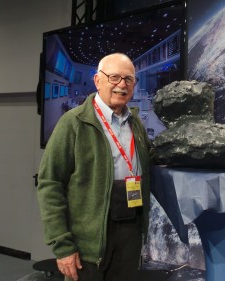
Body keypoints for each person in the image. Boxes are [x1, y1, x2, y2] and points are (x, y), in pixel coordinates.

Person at [37, 53, 153, 281]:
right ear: (97, 80)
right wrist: (62, 245)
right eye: (114, 77)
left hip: (130, 229)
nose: (122, 84)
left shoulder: (135, 123)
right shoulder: (74, 122)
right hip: (88, 240)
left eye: (129, 79)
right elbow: (50, 184)